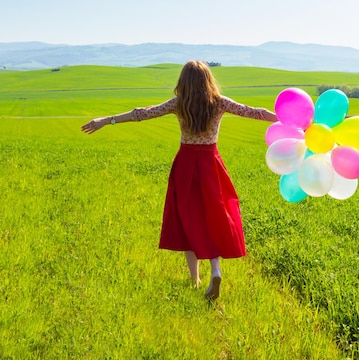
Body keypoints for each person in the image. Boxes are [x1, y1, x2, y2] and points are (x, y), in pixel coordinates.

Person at [81, 60, 276, 300]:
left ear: (183, 82)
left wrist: (106, 120)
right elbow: (255, 112)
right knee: (213, 216)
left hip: (185, 165)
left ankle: (194, 279)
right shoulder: (220, 103)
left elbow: (141, 114)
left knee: (187, 218)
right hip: (210, 165)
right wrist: (289, 122)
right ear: (208, 80)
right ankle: (215, 270)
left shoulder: (178, 104)